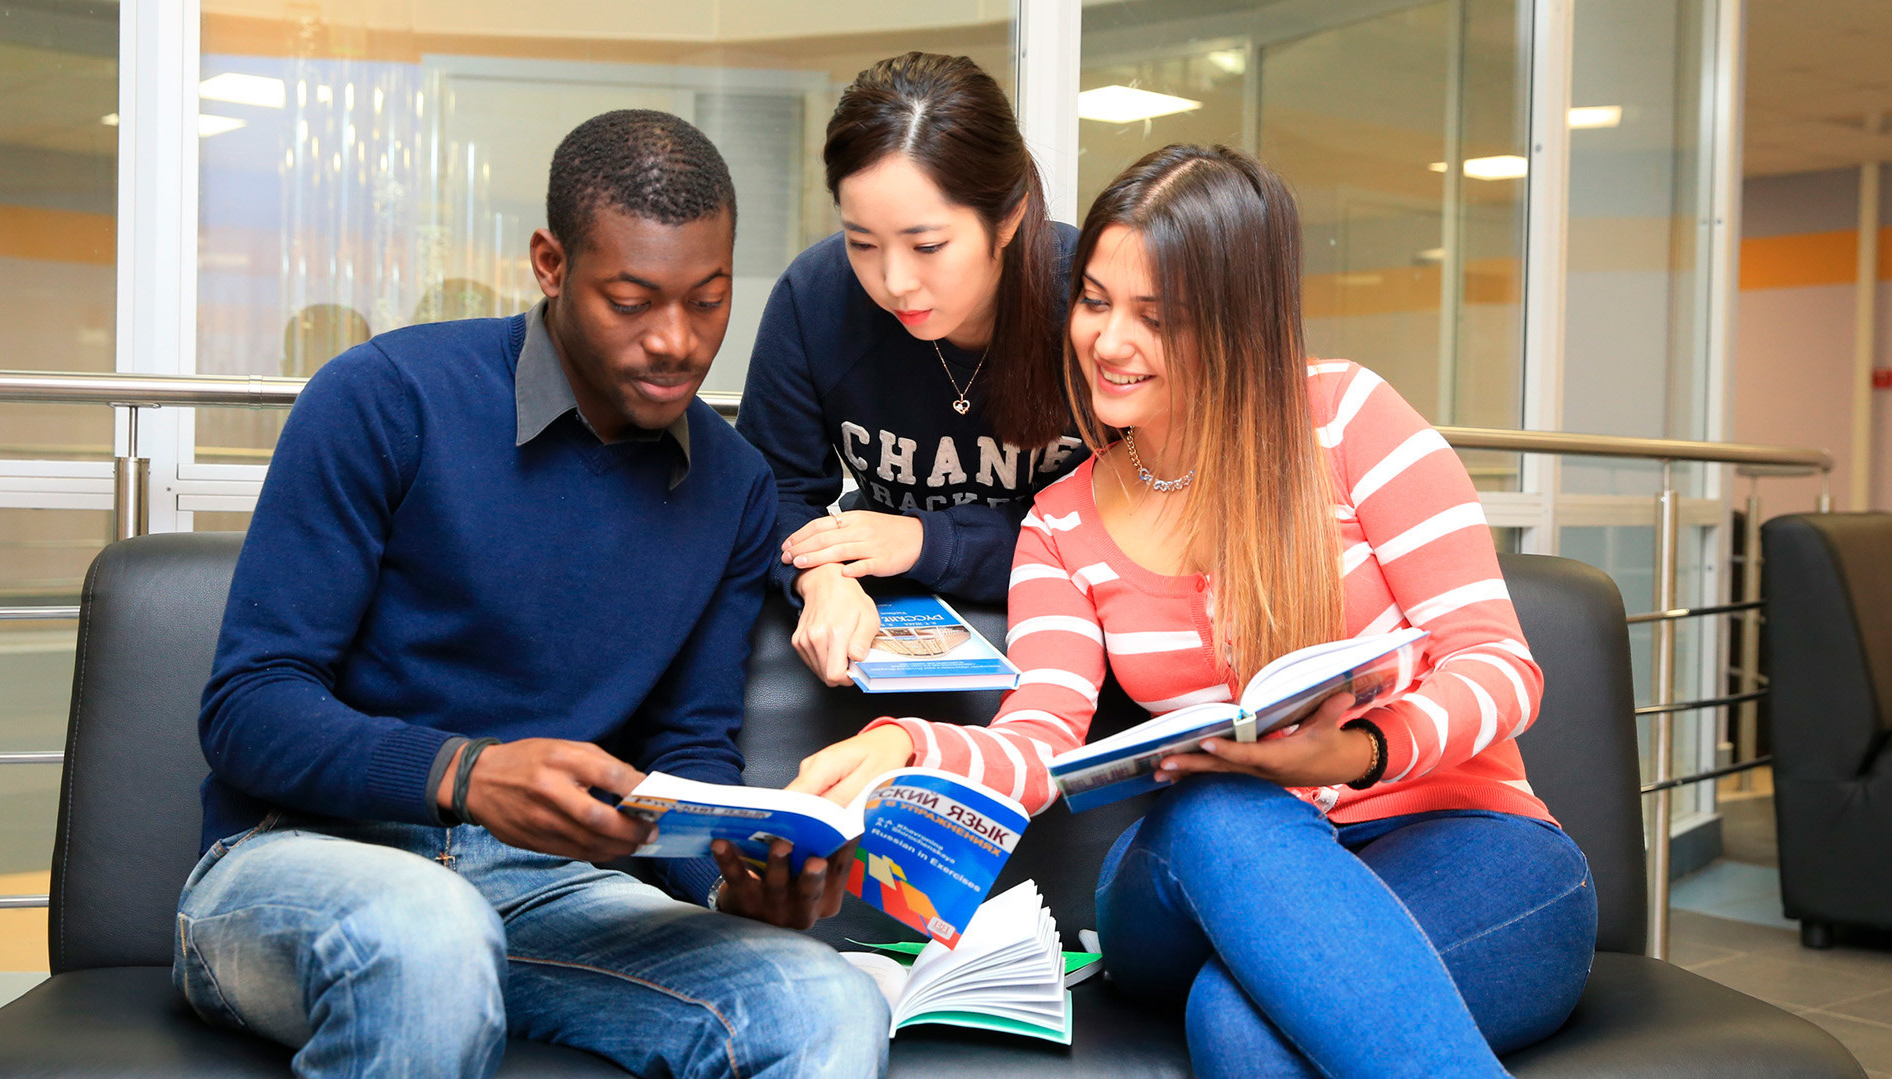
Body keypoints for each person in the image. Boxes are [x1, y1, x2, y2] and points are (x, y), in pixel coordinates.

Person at [790, 145, 1598, 1077]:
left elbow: (1496, 664)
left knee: (1239, 1028)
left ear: (1239, 322)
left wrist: (1359, 752)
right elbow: (1042, 732)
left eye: (1157, 317)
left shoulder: (1349, 421)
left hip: (1463, 846)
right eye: (1093, 301)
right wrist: (910, 744)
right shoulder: (1059, 520)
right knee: (1219, 809)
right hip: (1200, 874)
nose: (1109, 341)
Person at [178, 110, 887, 1079]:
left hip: (550, 895)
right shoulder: (383, 398)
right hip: (298, 863)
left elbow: (688, 748)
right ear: (551, 264)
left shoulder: (736, 488)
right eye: (631, 299)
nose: (677, 341)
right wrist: (467, 774)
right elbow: (248, 708)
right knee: (429, 935)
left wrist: (735, 881)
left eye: (708, 300)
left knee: (823, 999)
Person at [736, 52, 1086, 687]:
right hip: (893, 604)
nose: (894, 282)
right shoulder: (815, 298)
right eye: (862, 243)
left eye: (928, 246)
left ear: (1007, 218)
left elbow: (1143, 516)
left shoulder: (1092, 301)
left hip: (1071, 611)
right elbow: (774, 490)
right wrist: (817, 579)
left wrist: (927, 540)